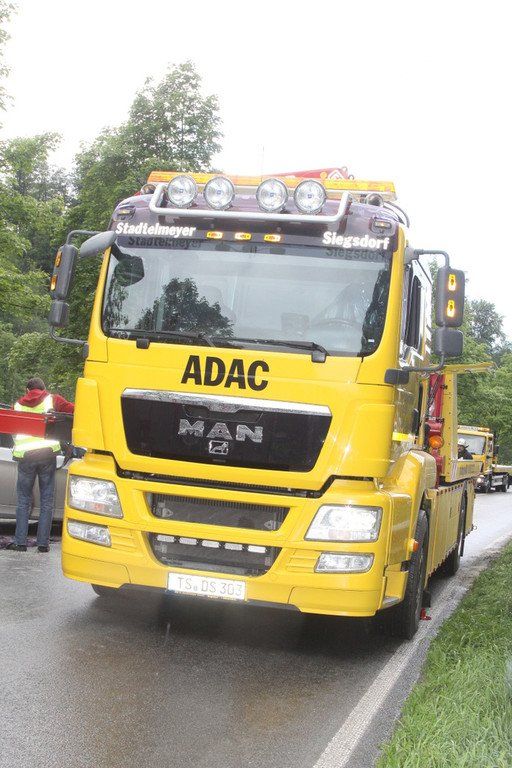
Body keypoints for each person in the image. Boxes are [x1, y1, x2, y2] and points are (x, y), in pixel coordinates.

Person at [6, 378, 74, 553]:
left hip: (26, 458)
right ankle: (43, 544)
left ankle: (20, 543)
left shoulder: (17, 405)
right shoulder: (53, 399)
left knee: (23, 500)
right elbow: (74, 410)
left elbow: (11, 429)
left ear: (27, 390)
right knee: (47, 500)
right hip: (47, 455)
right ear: (44, 388)